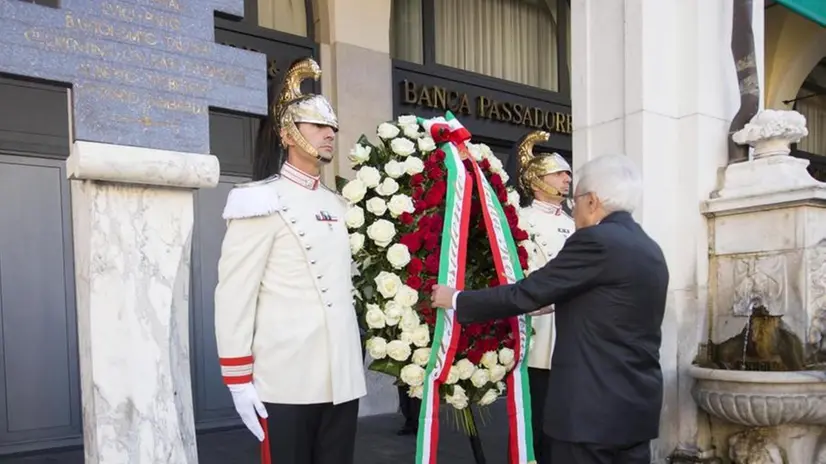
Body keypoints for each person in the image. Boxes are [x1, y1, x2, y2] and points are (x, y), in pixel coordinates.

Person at [431, 154, 668, 464]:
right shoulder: (650, 248)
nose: (574, 208)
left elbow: (526, 293)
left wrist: (458, 299)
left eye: (577, 200)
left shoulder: (596, 240)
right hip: (635, 410)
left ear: (593, 201)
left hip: (591, 416)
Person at [213, 57, 366, 464]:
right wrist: (238, 377)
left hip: (341, 373)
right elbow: (234, 294)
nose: (329, 133)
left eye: (332, 126)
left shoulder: (338, 203)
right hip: (286, 375)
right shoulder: (259, 199)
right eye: (318, 126)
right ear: (287, 134)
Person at [513, 131, 575, 464]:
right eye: (559, 172)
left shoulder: (575, 221)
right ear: (537, 179)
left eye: (567, 172)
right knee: (539, 421)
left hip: (573, 332)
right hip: (539, 334)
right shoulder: (521, 220)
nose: (567, 178)